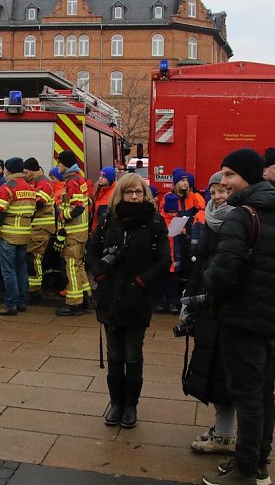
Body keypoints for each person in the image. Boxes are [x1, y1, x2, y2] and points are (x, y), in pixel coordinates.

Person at [201, 148, 275, 485]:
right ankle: (259, 461)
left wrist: (207, 281)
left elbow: (222, 273)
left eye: (229, 174)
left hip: (243, 318)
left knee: (246, 397)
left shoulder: (241, 216)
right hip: (273, 316)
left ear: (247, 177)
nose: (223, 181)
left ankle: (244, 470)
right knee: (263, 393)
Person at [87, 173, 169, 429]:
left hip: (137, 298)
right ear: (120, 194)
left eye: (139, 192)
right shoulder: (108, 220)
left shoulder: (154, 222)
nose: (134, 196)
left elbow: (163, 260)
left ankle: (131, 405)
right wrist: (100, 275)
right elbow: (91, 251)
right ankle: (116, 403)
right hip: (110, 297)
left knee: (133, 355)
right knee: (114, 355)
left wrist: (142, 282)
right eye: (129, 192)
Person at [182, 171, 237, 455]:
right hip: (209, 306)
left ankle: (227, 436)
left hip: (227, 307)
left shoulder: (238, 221)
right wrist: (188, 298)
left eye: (223, 191)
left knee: (226, 373)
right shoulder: (211, 220)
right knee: (215, 371)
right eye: (213, 192)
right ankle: (224, 430)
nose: (218, 197)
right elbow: (202, 261)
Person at [0, 157, 36, 315]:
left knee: (8, 270)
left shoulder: (7, 187)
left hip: (9, 234)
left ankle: (10, 304)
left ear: (8, 170)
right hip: (24, 234)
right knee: (21, 268)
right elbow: (33, 211)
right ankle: (21, 302)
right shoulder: (30, 187)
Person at [163, 168, 206, 314]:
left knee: (186, 270)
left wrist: (192, 222)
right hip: (174, 238)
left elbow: (202, 211)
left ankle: (182, 299)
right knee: (174, 269)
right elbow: (164, 216)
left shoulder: (193, 197)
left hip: (188, 238)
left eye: (187, 180)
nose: (185, 183)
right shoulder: (169, 197)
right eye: (182, 180)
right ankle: (170, 301)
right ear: (176, 183)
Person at [55, 150, 91, 316]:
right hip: (80, 232)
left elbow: (77, 207)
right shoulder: (79, 178)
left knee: (71, 267)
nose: (57, 166)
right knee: (79, 266)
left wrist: (62, 215)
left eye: (59, 162)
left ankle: (74, 303)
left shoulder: (72, 181)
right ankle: (86, 298)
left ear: (65, 163)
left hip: (73, 234)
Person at [23, 157, 55, 297]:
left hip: (41, 227)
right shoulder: (34, 182)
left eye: (26, 172)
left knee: (34, 257)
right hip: (35, 227)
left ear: (33, 171)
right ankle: (32, 288)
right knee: (31, 257)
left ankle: (34, 290)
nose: (24, 175)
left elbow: (39, 203)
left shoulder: (44, 184)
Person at [91, 166, 117, 233]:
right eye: (100, 176)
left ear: (110, 179)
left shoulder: (115, 193)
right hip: (95, 228)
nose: (100, 178)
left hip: (105, 231)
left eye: (104, 177)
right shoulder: (98, 190)